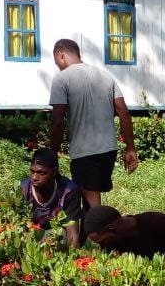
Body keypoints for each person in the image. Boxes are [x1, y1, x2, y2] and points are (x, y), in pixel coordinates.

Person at [47, 39, 139, 209]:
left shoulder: (61, 79)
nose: (58, 66)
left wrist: (52, 155)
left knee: (93, 206)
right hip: (109, 149)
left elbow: (57, 121)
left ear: (61, 55)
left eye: (57, 62)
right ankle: (87, 234)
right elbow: (124, 113)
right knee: (89, 202)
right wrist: (130, 149)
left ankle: (105, 232)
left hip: (85, 152)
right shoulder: (105, 76)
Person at [82, 205, 165, 277]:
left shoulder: (155, 222)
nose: (102, 246)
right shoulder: (113, 244)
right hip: (151, 282)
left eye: (103, 241)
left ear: (113, 228)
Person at [21, 147, 83, 246]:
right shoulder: (24, 188)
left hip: (58, 239)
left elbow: (72, 236)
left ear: (54, 172)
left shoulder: (68, 191)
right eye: (32, 171)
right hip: (30, 240)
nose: (34, 178)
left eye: (41, 173)